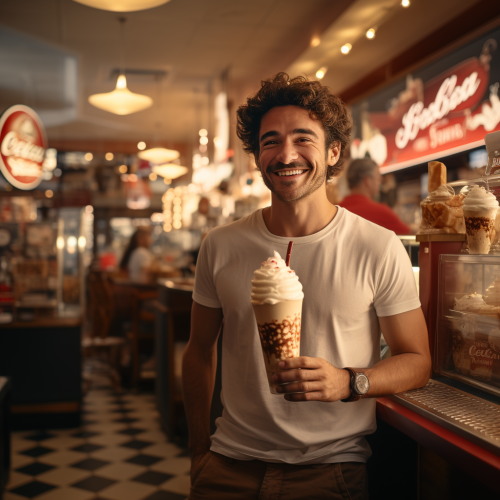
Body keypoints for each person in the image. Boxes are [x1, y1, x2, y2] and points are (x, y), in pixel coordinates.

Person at [182, 73, 430, 500]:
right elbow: (199, 350)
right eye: (270, 141)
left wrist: (349, 382)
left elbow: (417, 361)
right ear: (257, 156)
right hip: (228, 466)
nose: (286, 154)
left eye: (303, 138)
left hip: (328, 471)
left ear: (334, 151)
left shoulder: (376, 245)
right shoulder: (220, 246)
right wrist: (199, 452)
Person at [339, 158, 411, 234]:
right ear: (368, 181)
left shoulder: (336, 210)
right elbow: (410, 233)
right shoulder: (381, 212)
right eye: (378, 178)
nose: (380, 181)